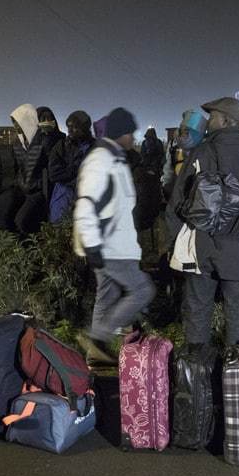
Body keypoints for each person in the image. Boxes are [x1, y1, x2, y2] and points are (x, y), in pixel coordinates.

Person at [166, 97, 239, 349]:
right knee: (237, 312)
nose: (209, 122)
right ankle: (236, 373)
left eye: (213, 117)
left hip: (202, 244)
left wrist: (174, 242)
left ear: (226, 121)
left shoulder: (201, 152)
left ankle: (195, 376)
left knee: (197, 309)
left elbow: (177, 201)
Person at [74, 108, 156, 368]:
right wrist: (92, 243)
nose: (134, 138)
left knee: (107, 295)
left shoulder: (114, 158)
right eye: (131, 133)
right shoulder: (101, 160)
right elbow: (87, 202)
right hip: (110, 246)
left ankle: (95, 353)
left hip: (113, 244)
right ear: (120, 134)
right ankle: (97, 337)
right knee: (143, 290)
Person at [7, 104, 65, 234]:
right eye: (42, 119)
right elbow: (19, 168)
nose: (46, 122)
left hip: (43, 190)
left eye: (48, 119)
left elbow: (51, 166)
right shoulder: (21, 142)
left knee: (23, 220)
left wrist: (47, 136)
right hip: (25, 188)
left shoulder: (52, 140)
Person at [47, 110, 94, 223]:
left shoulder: (95, 148)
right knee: (60, 224)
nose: (70, 130)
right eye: (68, 127)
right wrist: (75, 172)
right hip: (64, 193)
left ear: (84, 128)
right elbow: (54, 173)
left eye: (74, 127)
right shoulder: (61, 146)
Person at [161, 109, 207, 200]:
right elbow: (168, 168)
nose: (183, 133)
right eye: (182, 128)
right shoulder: (174, 145)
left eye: (187, 130)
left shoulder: (205, 147)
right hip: (174, 190)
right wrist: (166, 185)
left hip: (196, 195)